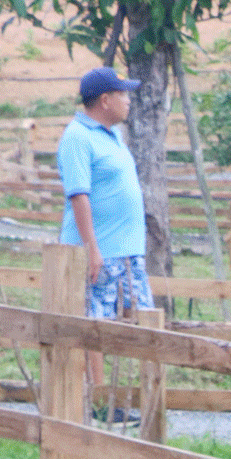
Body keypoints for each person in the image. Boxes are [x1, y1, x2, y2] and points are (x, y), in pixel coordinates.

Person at [58, 67, 152, 414]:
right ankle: (97, 400)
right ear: (105, 100)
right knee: (93, 325)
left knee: (139, 322)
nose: (129, 101)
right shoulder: (77, 137)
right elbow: (79, 195)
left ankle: (134, 398)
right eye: (124, 95)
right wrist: (91, 249)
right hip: (101, 251)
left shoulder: (111, 136)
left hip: (127, 253)